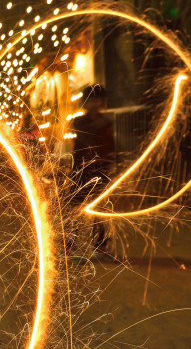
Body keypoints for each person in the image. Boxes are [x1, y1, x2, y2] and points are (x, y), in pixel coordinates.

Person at [68, 84, 115, 257]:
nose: (95, 104)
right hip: (81, 172)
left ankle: (101, 246)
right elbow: (81, 144)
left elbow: (110, 148)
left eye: (98, 100)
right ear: (85, 103)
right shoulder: (79, 122)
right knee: (75, 211)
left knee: (101, 211)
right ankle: (69, 245)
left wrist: (112, 165)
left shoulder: (107, 124)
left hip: (101, 171)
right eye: (91, 101)